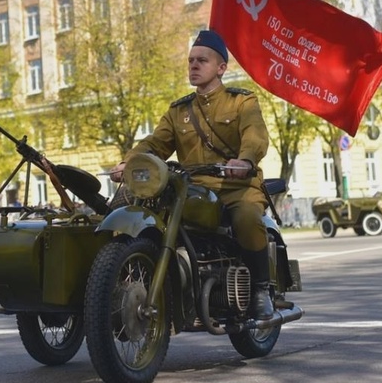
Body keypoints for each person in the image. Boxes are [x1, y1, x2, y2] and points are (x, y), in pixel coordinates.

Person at [109, 29, 274, 319]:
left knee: (247, 217)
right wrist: (131, 162)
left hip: (235, 186)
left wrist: (245, 160)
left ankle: (261, 289)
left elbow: (255, 136)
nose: (194, 66)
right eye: (190, 61)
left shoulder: (242, 102)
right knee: (142, 208)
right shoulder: (179, 111)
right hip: (192, 189)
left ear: (221, 68)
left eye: (202, 61)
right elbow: (155, 144)